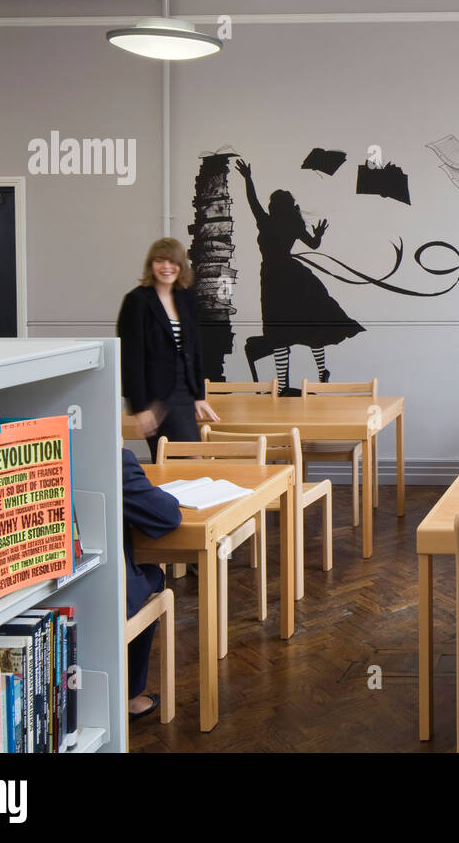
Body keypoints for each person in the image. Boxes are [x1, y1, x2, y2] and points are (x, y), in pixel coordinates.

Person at [235, 159, 364, 392]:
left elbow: (252, 202)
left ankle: (283, 385)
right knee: (312, 324)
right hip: (293, 276)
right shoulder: (293, 225)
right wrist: (320, 234)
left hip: (273, 279)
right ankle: (321, 373)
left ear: (273, 206)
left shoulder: (265, 223)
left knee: (277, 331)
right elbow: (313, 245)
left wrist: (248, 178)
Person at [116, 238, 220, 461]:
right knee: (187, 461)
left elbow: (195, 349)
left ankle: (170, 498)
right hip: (157, 398)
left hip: (184, 393)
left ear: (181, 265)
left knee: (184, 463)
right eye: (159, 261)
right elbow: (130, 360)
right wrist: (140, 408)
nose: (166, 267)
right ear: (150, 265)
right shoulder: (136, 301)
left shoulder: (186, 297)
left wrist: (199, 395)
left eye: (172, 262)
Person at [121, 448, 182, 720]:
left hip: (45, 590)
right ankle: (130, 697)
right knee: (154, 575)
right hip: (112, 600)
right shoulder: (112, 458)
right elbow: (167, 515)